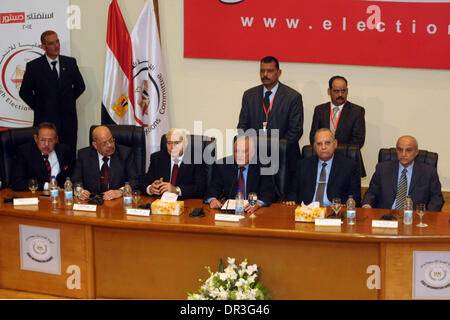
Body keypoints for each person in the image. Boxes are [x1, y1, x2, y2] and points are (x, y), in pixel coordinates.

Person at [19, 30, 85, 158]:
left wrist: (68, 101)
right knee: (44, 154)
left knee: (68, 153)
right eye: (51, 43)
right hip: (45, 120)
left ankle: (68, 178)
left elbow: (80, 86)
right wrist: (40, 106)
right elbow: (24, 92)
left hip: (68, 120)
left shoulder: (70, 63)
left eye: (57, 41)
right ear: (43, 46)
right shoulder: (34, 66)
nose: (56, 46)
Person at [237, 56, 303, 180]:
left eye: (270, 71)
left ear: (279, 73)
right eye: (262, 71)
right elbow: (242, 126)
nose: (265, 74)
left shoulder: (293, 97)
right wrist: (254, 149)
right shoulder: (249, 95)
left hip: (283, 159)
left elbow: (295, 131)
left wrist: (273, 149)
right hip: (254, 158)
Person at [362, 136, 444, 212]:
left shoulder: (428, 172)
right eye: (400, 150)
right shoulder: (383, 169)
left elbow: (437, 198)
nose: (403, 154)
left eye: (408, 150)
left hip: (415, 217)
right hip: (386, 216)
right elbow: (371, 193)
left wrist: (426, 216)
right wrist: (367, 206)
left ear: (416, 152)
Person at [285, 128, 361, 207]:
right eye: (319, 144)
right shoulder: (302, 165)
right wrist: (291, 201)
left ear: (335, 144)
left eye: (327, 143)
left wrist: (343, 205)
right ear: (314, 146)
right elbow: (293, 192)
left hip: (334, 212)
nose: (323, 147)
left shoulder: (349, 166)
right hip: (308, 212)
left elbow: (355, 197)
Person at [309, 76, 366, 177]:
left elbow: (358, 141)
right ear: (329, 91)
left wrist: (333, 153)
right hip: (323, 160)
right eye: (336, 91)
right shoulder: (319, 110)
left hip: (347, 161)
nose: (340, 94)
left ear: (347, 91)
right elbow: (313, 136)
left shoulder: (357, 111)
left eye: (343, 91)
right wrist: (326, 153)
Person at [205, 136, 275, 213]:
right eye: (237, 151)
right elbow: (213, 188)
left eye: (244, 151)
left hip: (254, 212)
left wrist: (258, 203)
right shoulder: (223, 165)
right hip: (230, 213)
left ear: (252, 152)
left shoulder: (263, 166)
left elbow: (268, 192)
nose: (239, 155)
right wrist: (213, 199)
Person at [71, 126, 139, 201]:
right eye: (104, 143)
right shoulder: (84, 155)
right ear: (95, 145)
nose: (109, 145)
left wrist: (120, 192)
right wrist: (80, 191)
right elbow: (76, 180)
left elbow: (134, 180)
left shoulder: (125, 153)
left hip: (116, 202)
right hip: (92, 202)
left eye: (111, 140)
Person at [143, 128, 206, 199]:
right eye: (169, 143)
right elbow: (144, 182)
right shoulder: (157, 158)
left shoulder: (196, 160)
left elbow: (201, 188)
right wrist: (150, 189)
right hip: (161, 203)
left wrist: (176, 190)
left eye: (177, 143)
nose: (172, 147)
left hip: (186, 203)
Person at [11, 122, 72, 191]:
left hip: (58, 196)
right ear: (36, 138)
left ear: (56, 140)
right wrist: (46, 186)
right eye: (43, 140)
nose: (46, 144)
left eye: (50, 140)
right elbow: (17, 183)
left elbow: (71, 175)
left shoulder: (64, 150)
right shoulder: (24, 152)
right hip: (35, 196)